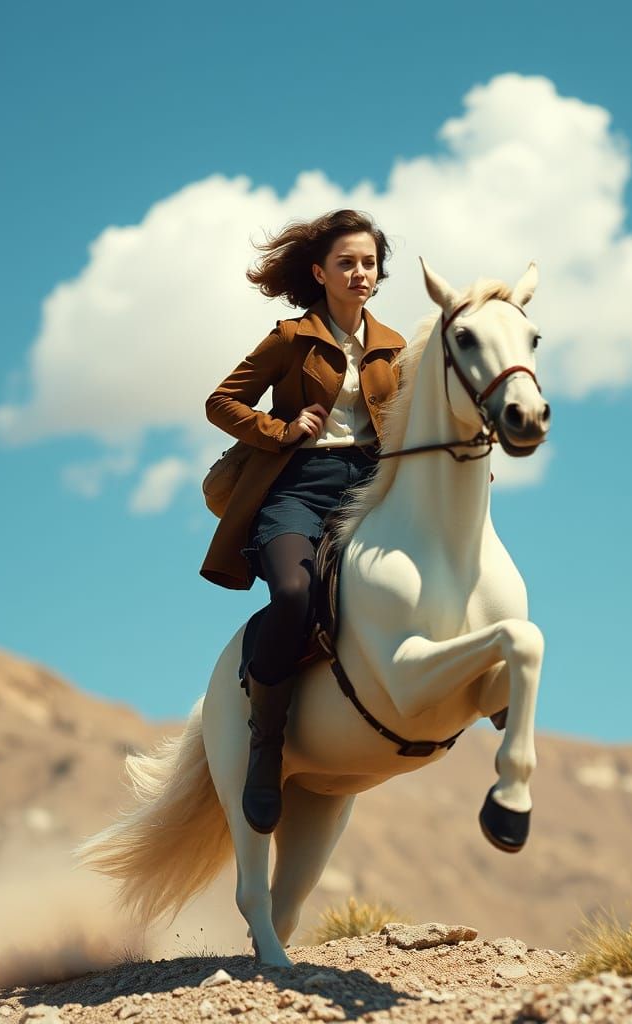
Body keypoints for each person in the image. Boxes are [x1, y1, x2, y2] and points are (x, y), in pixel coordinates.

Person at [199, 209, 407, 834]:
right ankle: (266, 747)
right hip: (296, 488)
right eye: (346, 262)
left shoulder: (395, 347)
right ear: (320, 272)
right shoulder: (291, 338)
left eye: (368, 262)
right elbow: (221, 401)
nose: (359, 272)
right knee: (293, 593)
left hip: (369, 490)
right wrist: (282, 429)